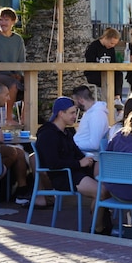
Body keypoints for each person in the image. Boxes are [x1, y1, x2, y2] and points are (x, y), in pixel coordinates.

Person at [36, 97, 110, 235]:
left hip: (76, 171)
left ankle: (102, 219)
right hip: (64, 175)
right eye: (71, 113)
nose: (75, 117)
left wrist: (88, 161)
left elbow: (77, 154)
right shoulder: (47, 134)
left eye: (75, 113)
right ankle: (98, 230)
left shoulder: (67, 133)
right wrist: (79, 163)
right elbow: (53, 164)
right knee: (102, 192)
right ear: (60, 113)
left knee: (105, 173)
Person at [0, 83, 37, 206]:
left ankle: (20, 189)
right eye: (6, 95)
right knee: (15, 152)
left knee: (18, 153)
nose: (9, 99)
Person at [0, 7, 26, 126]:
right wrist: (10, 73)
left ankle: (24, 118)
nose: (3, 23)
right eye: (1, 20)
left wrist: (19, 74)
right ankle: (8, 118)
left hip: (14, 74)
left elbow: (21, 60)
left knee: (30, 84)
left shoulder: (18, 39)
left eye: (6, 20)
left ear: (13, 22)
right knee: (12, 85)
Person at [84, 28, 124, 102]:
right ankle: (107, 101)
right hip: (94, 73)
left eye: (115, 44)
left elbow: (113, 62)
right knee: (107, 78)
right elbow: (90, 62)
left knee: (119, 74)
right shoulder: (93, 46)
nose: (112, 46)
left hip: (107, 72)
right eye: (111, 43)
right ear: (105, 38)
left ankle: (117, 98)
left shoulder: (111, 49)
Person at [71, 85, 109, 155]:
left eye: (75, 101)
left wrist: (71, 145)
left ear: (81, 100)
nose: (75, 105)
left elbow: (94, 144)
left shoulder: (96, 115)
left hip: (87, 157)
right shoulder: (91, 113)